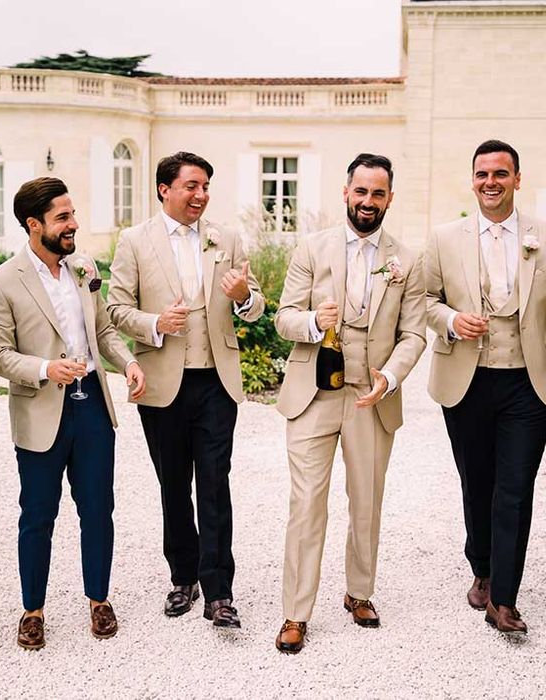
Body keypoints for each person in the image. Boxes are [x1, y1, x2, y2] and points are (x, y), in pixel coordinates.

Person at [0, 177, 145, 650]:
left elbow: (103, 330)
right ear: (34, 225)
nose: (73, 225)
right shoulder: (0, 282)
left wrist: (129, 362)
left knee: (99, 509)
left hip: (92, 405)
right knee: (37, 515)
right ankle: (32, 610)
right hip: (40, 411)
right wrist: (45, 368)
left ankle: (99, 599)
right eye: (63, 218)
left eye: (72, 214)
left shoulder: (84, 267)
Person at [273, 153, 426, 654]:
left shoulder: (407, 259)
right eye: (360, 191)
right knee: (306, 505)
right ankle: (296, 613)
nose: (367, 202)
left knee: (366, 502)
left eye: (377, 193)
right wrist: (315, 321)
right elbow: (283, 319)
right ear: (346, 192)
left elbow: (413, 333)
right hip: (313, 395)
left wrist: (393, 375)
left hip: (370, 397)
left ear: (389, 199)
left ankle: (359, 593)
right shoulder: (312, 248)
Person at [107, 151, 265, 629]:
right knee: (173, 484)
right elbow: (115, 310)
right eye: (192, 186)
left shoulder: (227, 238)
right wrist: (155, 322)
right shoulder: (134, 242)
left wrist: (243, 298)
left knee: (215, 483)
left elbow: (255, 307)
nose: (201, 196)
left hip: (216, 379)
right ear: (165, 189)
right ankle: (183, 576)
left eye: (205, 187)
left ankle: (219, 591)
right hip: (162, 382)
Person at [425, 139, 546, 636]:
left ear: (518, 179)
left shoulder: (541, 233)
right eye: (482, 174)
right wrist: (452, 320)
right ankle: (482, 565)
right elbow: (424, 301)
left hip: (528, 383)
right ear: (472, 180)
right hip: (467, 381)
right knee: (477, 482)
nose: (490, 183)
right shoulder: (444, 237)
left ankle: (505, 599)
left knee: (516, 488)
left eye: (501, 174)